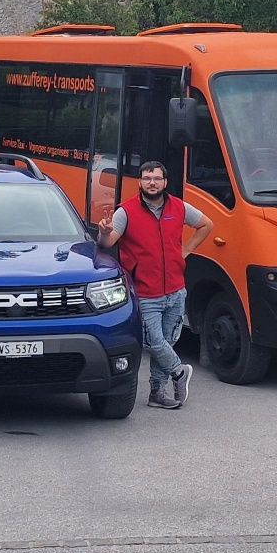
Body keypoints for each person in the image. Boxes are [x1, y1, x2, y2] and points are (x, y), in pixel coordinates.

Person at [100, 160, 213, 408]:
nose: (152, 183)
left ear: (165, 182)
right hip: (145, 292)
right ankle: (179, 372)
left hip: (176, 289)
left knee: (167, 341)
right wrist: (105, 232)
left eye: (157, 179)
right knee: (153, 341)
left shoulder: (178, 207)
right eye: (147, 178)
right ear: (140, 182)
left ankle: (157, 393)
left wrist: (186, 250)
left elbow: (206, 224)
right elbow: (107, 242)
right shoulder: (126, 211)